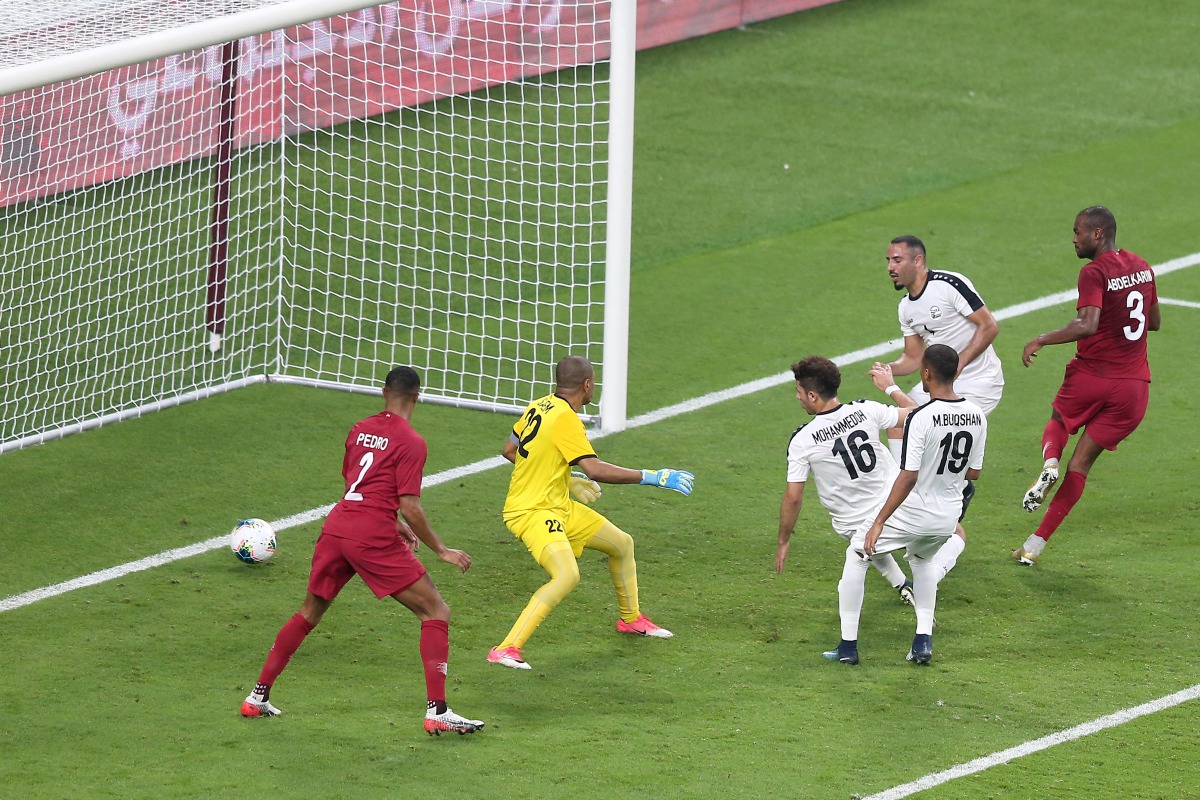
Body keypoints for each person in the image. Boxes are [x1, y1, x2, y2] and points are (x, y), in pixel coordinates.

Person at [240, 366, 484, 736]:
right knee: (436, 610)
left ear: (383, 392)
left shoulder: (359, 428)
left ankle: (257, 697)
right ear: (417, 397)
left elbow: (356, 482)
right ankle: (438, 711)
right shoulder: (412, 442)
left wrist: (392, 519)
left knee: (309, 612)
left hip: (338, 527)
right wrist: (441, 549)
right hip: (370, 536)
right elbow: (411, 505)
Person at [487, 355, 694, 671]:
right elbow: (595, 469)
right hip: (532, 512)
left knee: (621, 544)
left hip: (557, 505)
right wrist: (653, 476)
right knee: (567, 575)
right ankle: (506, 648)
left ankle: (631, 618)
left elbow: (509, 450)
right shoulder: (566, 419)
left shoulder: (538, 405)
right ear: (587, 385)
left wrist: (564, 479)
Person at [1013, 206, 1159, 565]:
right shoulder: (1142, 266)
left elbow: (1087, 324)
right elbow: (1153, 321)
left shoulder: (1093, 272)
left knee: (1059, 420)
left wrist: (1042, 339)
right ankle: (1033, 547)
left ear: (1097, 234)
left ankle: (1049, 462)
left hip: (1093, 376)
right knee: (1081, 466)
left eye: (1078, 231)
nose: (1073, 238)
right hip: (1134, 389)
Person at [825, 344, 987, 666]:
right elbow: (974, 472)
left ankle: (848, 646)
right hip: (947, 515)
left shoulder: (923, 418)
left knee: (859, 552)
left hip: (914, 510)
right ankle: (922, 641)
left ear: (926, 373)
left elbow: (908, 476)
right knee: (923, 562)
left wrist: (879, 520)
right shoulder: (978, 415)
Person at [882, 235, 1003, 575]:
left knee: (930, 426)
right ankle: (907, 495)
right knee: (898, 420)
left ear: (917, 261)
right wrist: (888, 370)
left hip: (979, 383)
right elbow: (913, 357)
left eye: (897, 260)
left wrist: (959, 364)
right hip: (942, 381)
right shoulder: (906, 307)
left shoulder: (950, 285)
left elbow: (989, 326)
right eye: (888, 261)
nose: (890, 267)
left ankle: (949, 493)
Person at [777, 355, 919, 607]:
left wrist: (783, 541)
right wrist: (891, 388)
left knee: (859, 547)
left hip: (852, 523)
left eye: (799, 391)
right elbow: (919, 417)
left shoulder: (802, 440)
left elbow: (793, 497)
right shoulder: (865, 409)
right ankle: (905, 585)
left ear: (812, 396)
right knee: (950, 534)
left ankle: (849, 643)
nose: (797, 397)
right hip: (897, 508)